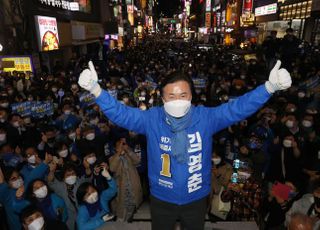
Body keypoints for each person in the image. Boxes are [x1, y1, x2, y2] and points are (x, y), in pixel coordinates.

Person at [78, 60, 291, 229]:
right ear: (162, 98)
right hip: (161, 199)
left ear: (191, 96)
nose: (177, 100)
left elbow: (237, 109)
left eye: (183, 95)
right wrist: (96, 90)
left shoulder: (206, 118)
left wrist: (269, 87)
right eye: (171, 96)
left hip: (196, 199)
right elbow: (121, 113)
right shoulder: (151, 119)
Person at [109, 137, 143, 221]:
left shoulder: (129, 154)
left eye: (123, 144)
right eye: (119, 145)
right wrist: (119, 153)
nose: (121, 146)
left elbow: (137, 161)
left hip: (133, 186)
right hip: (122, 188)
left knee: (133, 204)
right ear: (115, 148)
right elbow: (112, 168)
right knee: (122, 208)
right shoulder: (112, 158)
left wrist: (128, 149)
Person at [76, 166, 117, 230]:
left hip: (109, 226)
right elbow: (82, 227)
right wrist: (101, 220)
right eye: (88, 194)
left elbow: (113, 190)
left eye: (93, 191)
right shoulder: (83, 209)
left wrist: (109, 178)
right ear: (83, 198)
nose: (92, 194)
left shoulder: (102, 197)